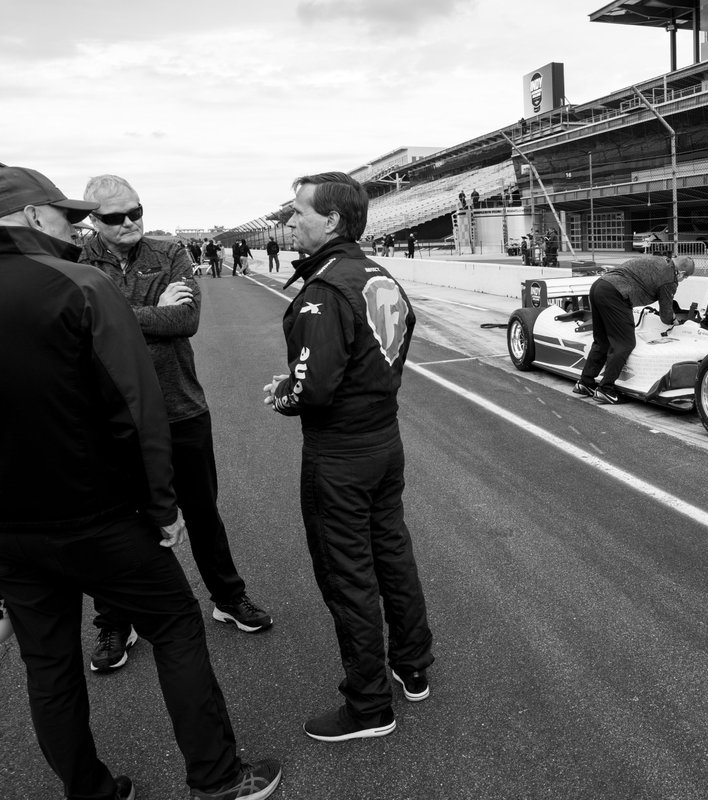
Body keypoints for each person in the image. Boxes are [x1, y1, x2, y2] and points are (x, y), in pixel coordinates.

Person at [0, 165, 281, 800]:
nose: (70, 223)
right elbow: (135, 407)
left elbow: (186, 322)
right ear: (28, 216)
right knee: (177, 624)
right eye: (64, 214)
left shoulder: (143, 258)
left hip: (13, 528)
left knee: (46, 666)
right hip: (95, 506)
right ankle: (216, 777)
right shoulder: (78, 281)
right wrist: (158, 507)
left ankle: (88, 792)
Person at [264, 171, 434, 742]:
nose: (290, 222)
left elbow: (314, 388)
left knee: (348, 575)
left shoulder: (325, 289)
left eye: (298, 212)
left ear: (332, 219)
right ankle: (412, 666)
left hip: (340, 452)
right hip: (384, 440)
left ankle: (368, 707)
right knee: (392, 552)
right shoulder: (379, 274)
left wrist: (285, 392)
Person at [80, 174, 272, 675]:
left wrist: (114, 314)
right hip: (111, 418)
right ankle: (115, 621)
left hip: (180, 408)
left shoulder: (169, 254)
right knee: (116, 525)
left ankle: (228, 598)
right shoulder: (78, 262)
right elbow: (79, 329)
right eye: (115, 217)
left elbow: (183, 322)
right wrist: (146, 313)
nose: (130, 223)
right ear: (93, 220)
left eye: (136, 211)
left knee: (203, 513)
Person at [575, 253, 696, 404]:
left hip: (599, 286)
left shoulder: (659, 259)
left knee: (602, 341)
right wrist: (675, 321)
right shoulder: (670, 278)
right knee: (624, 343)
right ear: (682, 273)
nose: (682, 280)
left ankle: (585, 382)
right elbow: (666, 315)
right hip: (616, 294)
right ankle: (606, 389)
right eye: (684, 278)